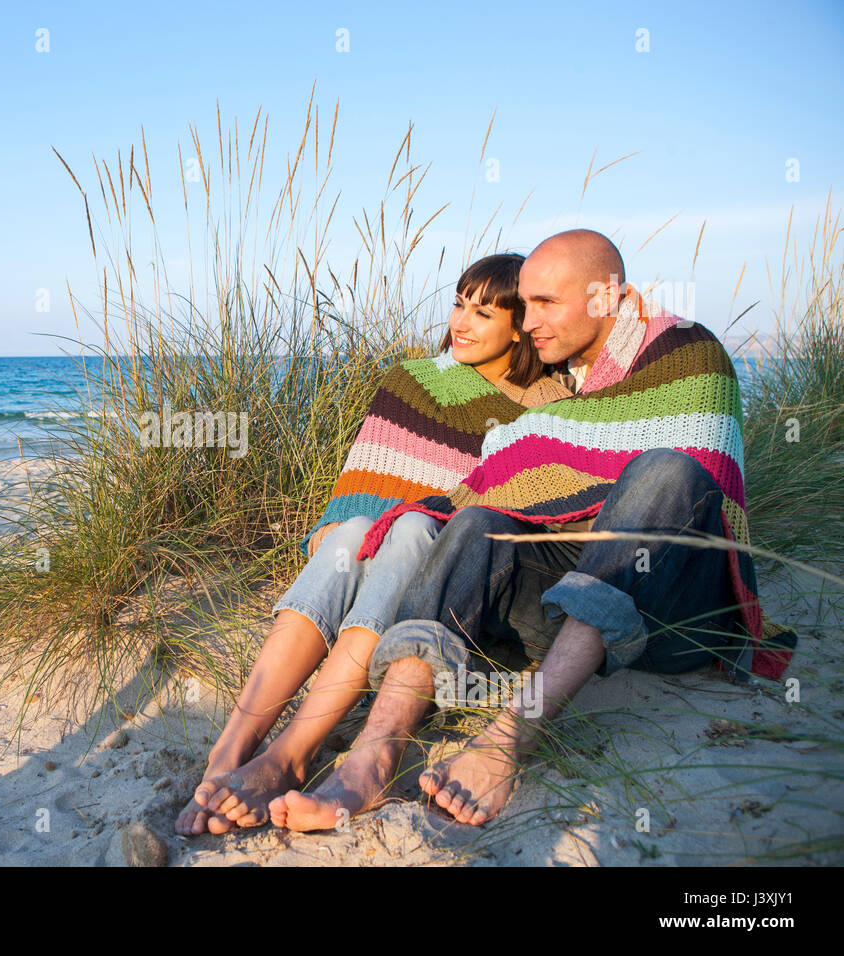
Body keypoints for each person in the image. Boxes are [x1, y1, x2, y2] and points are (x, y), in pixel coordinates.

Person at [264, 229, 798, 832]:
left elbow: (682, 471)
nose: (531, 319)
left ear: (606, 298)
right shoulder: (561, 382)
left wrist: (539, 441)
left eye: (546, 303)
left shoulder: (683, 349)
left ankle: (505, 742)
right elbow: (514, 465)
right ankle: (377, 748)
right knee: (475, 520)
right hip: (569, 604)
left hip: (676, 607)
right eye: (526, 302)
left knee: (666, 468)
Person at [175, 253, 572, 836]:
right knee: (359, 531)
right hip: (369, 565)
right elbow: (361, 494)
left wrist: (413, 519)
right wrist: (350, 541)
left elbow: (512, 518)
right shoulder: (412, 381)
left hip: (448, 604)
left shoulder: (546, 408)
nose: (460, 321)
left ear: (520, 326)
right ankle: (232, 746)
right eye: (458, 303)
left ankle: (292, 751)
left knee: (411, 527)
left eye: (483, 312)